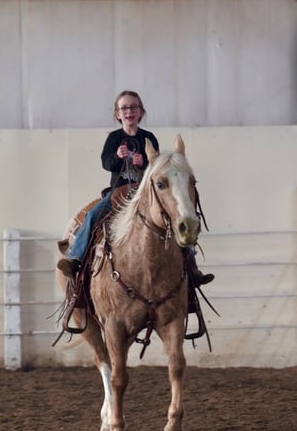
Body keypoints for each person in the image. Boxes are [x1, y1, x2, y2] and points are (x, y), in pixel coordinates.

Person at [57, 90, 213, 286]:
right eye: (124, 108)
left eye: (133, 107)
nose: (129, 111)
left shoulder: (148, 137)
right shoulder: (114, 138)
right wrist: (117, 156)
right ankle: (75, 258)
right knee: (93, 215)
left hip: (143, 193)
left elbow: (157, 171)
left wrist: (143, 164)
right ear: (118, 114)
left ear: (140, 112)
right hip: (119, 191)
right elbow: (106, 163)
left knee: (174, 221)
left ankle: (191, 267)